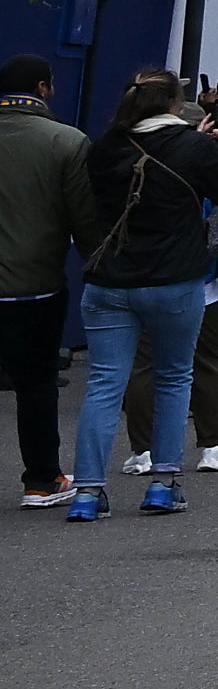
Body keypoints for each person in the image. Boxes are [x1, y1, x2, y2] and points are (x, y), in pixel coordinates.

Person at [66, 71, 218, 514]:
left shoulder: (106, 146)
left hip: (109, 281)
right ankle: (163, 484)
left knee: (105, 383)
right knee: (174, 377)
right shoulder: (193, 146)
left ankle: (88, 493)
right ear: (173, 104)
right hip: (174, 281)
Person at [0, 55, 75, 509]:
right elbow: (83, 217)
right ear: (44, 88)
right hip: (36, 284)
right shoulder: (66, 142)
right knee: (36, 384)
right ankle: (41, 480)